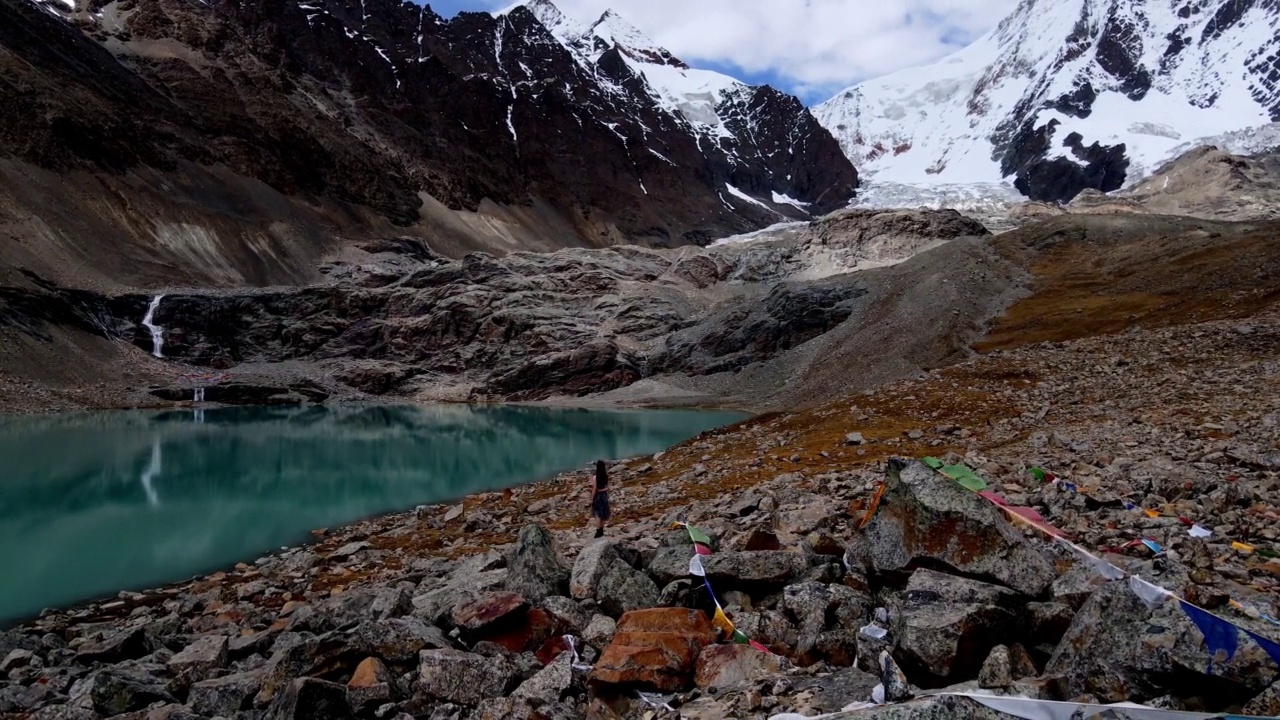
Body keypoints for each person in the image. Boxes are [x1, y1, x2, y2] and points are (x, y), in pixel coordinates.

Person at [589, 459, 610, 538]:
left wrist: (592, 498)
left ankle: (598, 531)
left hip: (598, 496)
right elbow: (608, 488)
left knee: (597, 514)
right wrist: (602, 490)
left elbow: (594, 489)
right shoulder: (606, 476)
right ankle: (601, 530)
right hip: (604, 496)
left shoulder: (595, 477)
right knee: (604, 513)